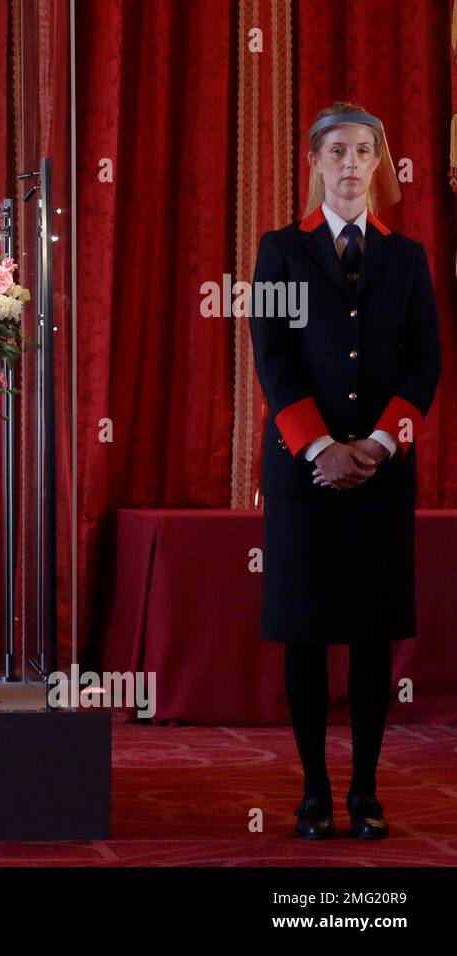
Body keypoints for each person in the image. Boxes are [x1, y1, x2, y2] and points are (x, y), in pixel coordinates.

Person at [249, 102, 442, 840]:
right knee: (305, 636)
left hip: (380, 478)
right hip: (305, 479)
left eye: (364, 150)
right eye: (338, 151)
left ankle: (364, 792)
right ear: (315, 162)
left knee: (370, 636)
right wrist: (321, 447)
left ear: (378, 162)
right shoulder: (279, 250)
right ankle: (313, 794)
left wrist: (382, 445)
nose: (352, 163)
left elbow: (425, 362)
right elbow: (272, 357)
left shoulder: (408, 258)